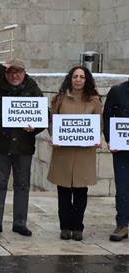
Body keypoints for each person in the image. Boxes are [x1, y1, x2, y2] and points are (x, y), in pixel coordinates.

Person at [0, 58, 44, 237]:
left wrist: (34, 127)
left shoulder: (33, 89)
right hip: (1, 144)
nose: (15, 76)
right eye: (11, 72)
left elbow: (43, 115)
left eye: (18, 72)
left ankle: (20, 223)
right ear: (6, 73)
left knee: (22, 185)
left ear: (24, 73)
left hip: (24, 146)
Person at [48, 66, 102, 241]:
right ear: (70, 79)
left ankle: (78, 227)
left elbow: (98, 124)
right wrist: (54, 135)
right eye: (75, 76)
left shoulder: (94, 100)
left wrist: (95, 137)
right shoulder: (60, 99)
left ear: (87, 80)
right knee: (63, 192)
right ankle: (65, 227)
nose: (78, 80)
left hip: (84, 153)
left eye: (82, 77)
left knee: (80, 192)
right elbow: (52, 122)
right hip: (63, 153)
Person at [103, 78, 129, 242]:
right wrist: (110, 139)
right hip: (122, 151)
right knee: (123, 189)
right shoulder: (117, 91)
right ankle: (122, 224)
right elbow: (107, 116)